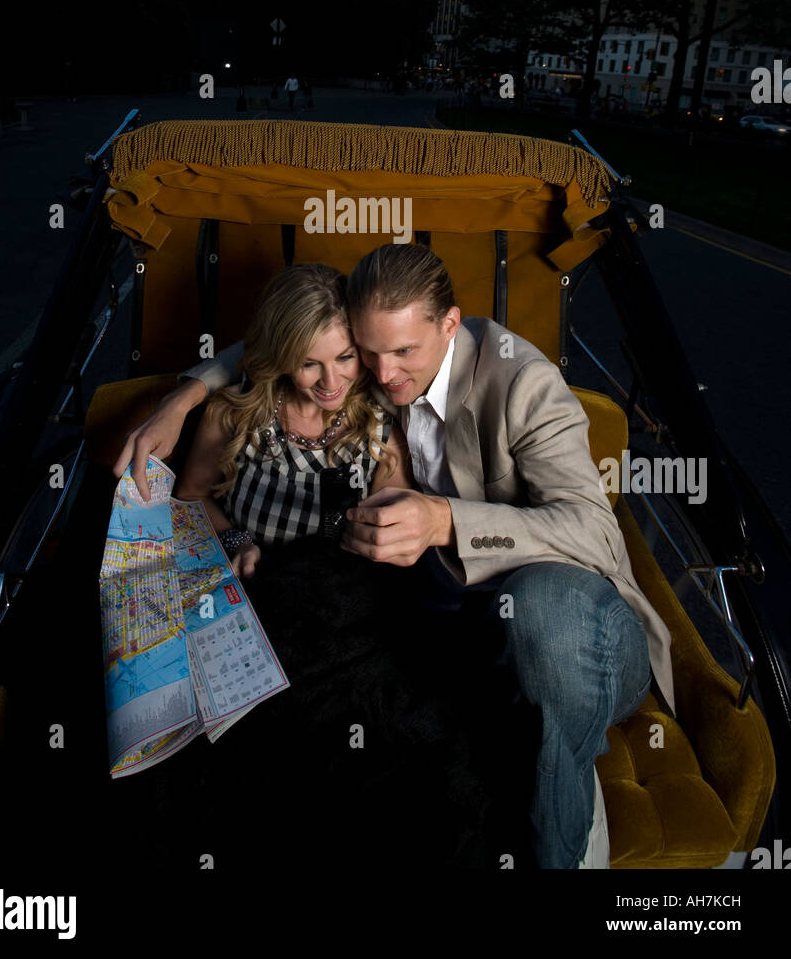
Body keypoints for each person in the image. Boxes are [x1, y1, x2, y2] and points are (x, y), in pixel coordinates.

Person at [115, 245, 674, 870]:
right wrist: (182, 398)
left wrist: (444, 520)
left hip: (571, 625)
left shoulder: (523, 384)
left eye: (402, 352)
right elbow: (281, 342)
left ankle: (561, 780)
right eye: (368, 353)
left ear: (450, 324)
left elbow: (593, 531)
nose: (380, 374)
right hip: (447, 616)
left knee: (542, 609)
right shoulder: (367, 383)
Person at [170, 263, 411, 575]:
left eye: (345, 357)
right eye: (308, 363)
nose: (330, 381)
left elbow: (391, 549)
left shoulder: (382, 438)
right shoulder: (233, 413)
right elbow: (191, 495)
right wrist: (238, 542)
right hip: (241, 586)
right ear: (282, 359)